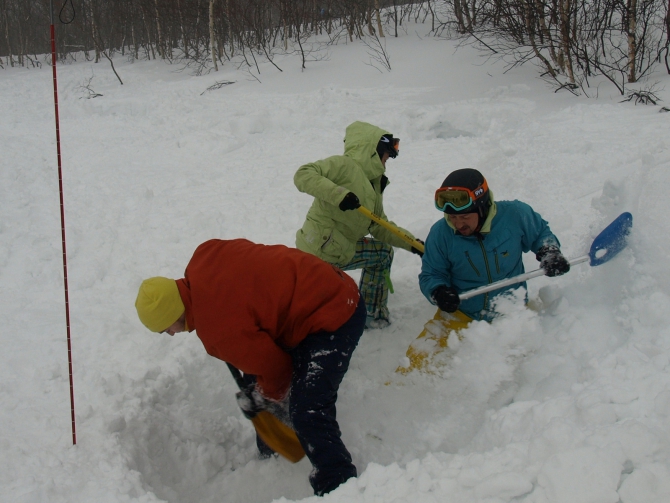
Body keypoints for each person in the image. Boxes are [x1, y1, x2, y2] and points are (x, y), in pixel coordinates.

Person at [134, 239, 366, 496]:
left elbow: (278, 370)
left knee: (308, 409)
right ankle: (272, 450)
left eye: (165, 328)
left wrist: (266, 397)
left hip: (334, 312)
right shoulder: (204, 254)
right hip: (321, 282)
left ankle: (339, 485)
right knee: (256, 371)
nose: (170, 334)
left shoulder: (219, 332)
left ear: (172, 314)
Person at [403, 168, 570, 372]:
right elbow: (431, 274)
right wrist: (438, 292)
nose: (457, 224)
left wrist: (549, 252)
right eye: (452, 217)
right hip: (463, 313)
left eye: (464, 217)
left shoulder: (515, 215)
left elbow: (540, 233)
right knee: (415, 365)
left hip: (512, 311)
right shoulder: (441, 234)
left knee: (530, 368)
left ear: (482, 206)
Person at [294, 121, 423, 329]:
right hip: (318, 252)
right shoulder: (344, 166)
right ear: (373, 151)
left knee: (383, 252)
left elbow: (380, 225)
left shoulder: (373, 184)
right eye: (386, 157)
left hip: (340, 250)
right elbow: (303, 174)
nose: (386, 163)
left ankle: (372, 313)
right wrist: (339, 195)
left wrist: (413, 244)